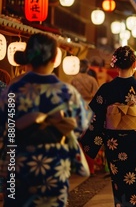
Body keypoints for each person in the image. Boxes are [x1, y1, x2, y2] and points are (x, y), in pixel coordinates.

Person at [0, 33, 90, 206]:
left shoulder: (12, 91)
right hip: (54, 166)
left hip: (18, 166)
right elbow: (80, 126)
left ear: (28, 56)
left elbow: (3, 130)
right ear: (55, 57)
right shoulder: (67, 92)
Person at [79, 46, 136, 207]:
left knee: (120, 183)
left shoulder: (106, 89)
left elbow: (96, 116)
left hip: (114, 143)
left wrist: (95, 139)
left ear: (115, 65)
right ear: (134, 64)